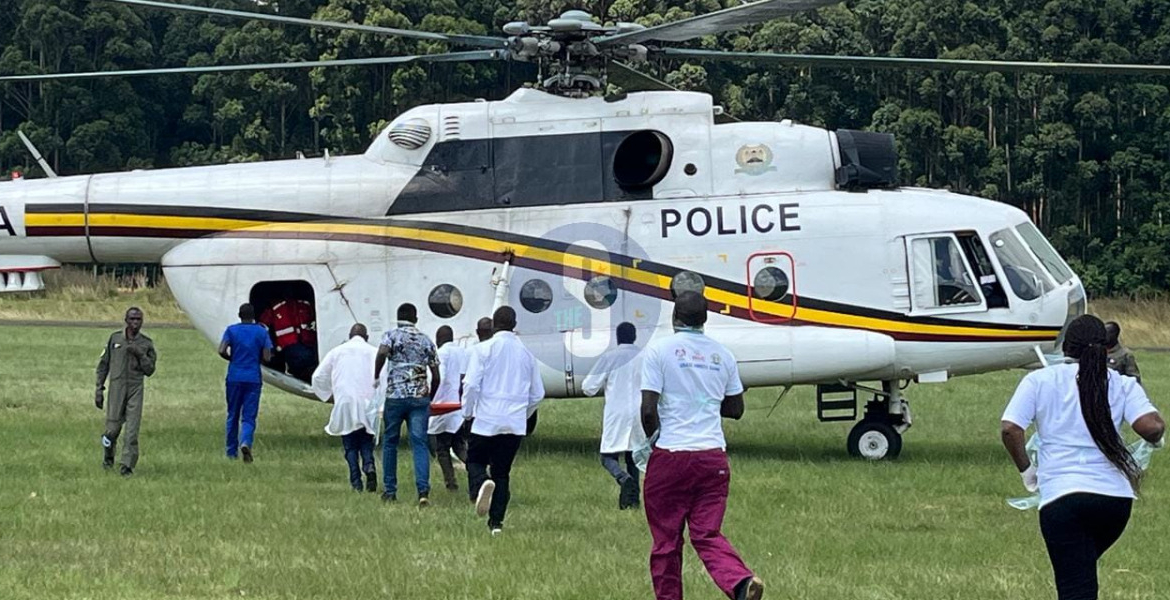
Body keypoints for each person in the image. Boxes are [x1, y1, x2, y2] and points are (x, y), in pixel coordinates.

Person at [1001, 314, 1165, 600]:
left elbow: (1010, 429)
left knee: (1076, 588)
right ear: (1106, 349)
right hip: (1115, 503)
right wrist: (1157, 438)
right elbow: (1150, 426)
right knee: (1081, 574)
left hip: (1063, 498)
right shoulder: (1122, 384)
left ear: (1065, 347)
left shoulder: (1039, 380)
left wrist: (1028, 473)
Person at [640, 291, 764, 600]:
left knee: (666, 541)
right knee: (706, 533)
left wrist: (652, 441)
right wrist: (705, 403)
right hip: (712, 459)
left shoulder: (659, 352)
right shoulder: (723, 355)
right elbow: (736, 409)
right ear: (705, 319)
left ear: (674, 317)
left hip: (672, 455)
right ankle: (739, 581)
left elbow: (647, 409)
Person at [462, 306, 544, 535]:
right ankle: (496, 524)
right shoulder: (527, 355)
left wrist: (467, 413)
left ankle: (481, 483)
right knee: (502, 473)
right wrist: (522, 414)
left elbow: (470, 385)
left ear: (494, 325)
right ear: (514, 324)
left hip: (486, 420)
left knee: (475, 462)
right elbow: (538, 394)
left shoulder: (483, 349)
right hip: (514, 424)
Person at [374, 303, 439, 506]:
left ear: (398, 317)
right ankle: (423, 491)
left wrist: (376, 374)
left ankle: (390, 490)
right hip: (420, 397)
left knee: (390, 442)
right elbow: (436, 375)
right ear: (416, 319)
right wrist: (430, 395)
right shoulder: (426, 340)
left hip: (396, 396)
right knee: (419, 442)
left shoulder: (391, 336)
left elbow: (382, 353)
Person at [581, 321, 646, 509]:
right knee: (634, 455)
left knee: (607, 457)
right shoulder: (645, 357)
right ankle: (633, 501)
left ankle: (622, 478)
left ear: (617, 337)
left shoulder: (610, 358)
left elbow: (588, 387)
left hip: (616, 412)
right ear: (634, 337)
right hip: (639, 412)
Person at [312, 323, 380, 492]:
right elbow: (383, 377)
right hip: (367, 403)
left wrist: (328, 394)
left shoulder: (337, 352)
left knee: (350, 445)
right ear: (367, 337)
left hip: (345, 403)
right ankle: (369, 465)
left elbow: (318, 376)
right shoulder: (373, 352)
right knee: (366, 440)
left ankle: (356, 482)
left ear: (349, 336)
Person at [94, 307, 157, 477]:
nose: (135, 323)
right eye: (132, 319)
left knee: (132, 430)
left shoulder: (146, 343)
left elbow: (150, 370)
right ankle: (108, 455)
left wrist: (140, 354)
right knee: (112, 429)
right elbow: (103, 365)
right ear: (126, 320)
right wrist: (99, 388)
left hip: (135, 388)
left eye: (138, 320)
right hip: (116, 388)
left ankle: (127, 466)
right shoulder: (115, 339)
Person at [218, 303, 273, 463]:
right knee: (249, 417)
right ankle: (246, 442)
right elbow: (267, 356)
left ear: (239, 315)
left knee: (232, 415)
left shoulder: (231, 330)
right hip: (253, 377)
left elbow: (221, 350)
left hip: (234, 375)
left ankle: (230, 452)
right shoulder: (261, 332)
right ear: (254, 315)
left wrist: (232, 359)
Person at [429, 325, 470, 492]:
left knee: (442, 447)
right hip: (460, 406)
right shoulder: (463, 352)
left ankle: (450, 482)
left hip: (443, 405)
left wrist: (431, 396)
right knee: (459, 444)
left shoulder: (442, 353)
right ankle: (478, 470)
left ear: (439, 340)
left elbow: (440, 376)